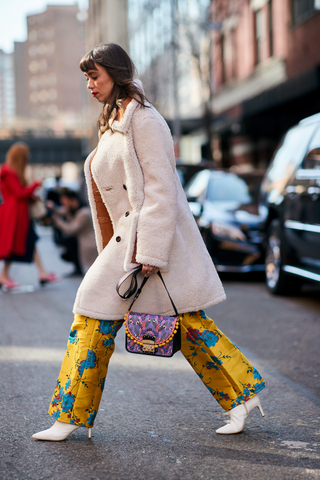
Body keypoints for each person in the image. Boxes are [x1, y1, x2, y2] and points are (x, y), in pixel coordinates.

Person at [32, 43, 266, 442]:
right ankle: (242, 395)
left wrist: (151, 252)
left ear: (116, 73)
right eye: (86, 77)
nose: (89, 84)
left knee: (96, 319)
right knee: (184, 326)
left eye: (95, 75)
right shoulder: (113, 119)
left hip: (145, 246)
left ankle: (70, 416)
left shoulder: (144, 119)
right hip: (126, 246)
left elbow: (162, 191)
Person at [0, 142, 57, 288]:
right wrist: (35, 184)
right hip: (14, 215)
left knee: (28, 241)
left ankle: (40, 272)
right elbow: (19, 193)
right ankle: (5, 275)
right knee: (12, 244)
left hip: (19, 214)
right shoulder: (9, 172)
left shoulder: (11, 171)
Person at [49, 188, 97, 275]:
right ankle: (77, 268)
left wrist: (57, 220)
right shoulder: (72, 208)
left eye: (64, 202)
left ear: (72, 200)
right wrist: (53, 208)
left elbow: (71, 230)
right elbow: (60, 211)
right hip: (79, 241)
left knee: (69, 240)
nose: (63, 204)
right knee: (67, 241)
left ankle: (79, 268)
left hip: (88, 244)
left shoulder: (84, 213)